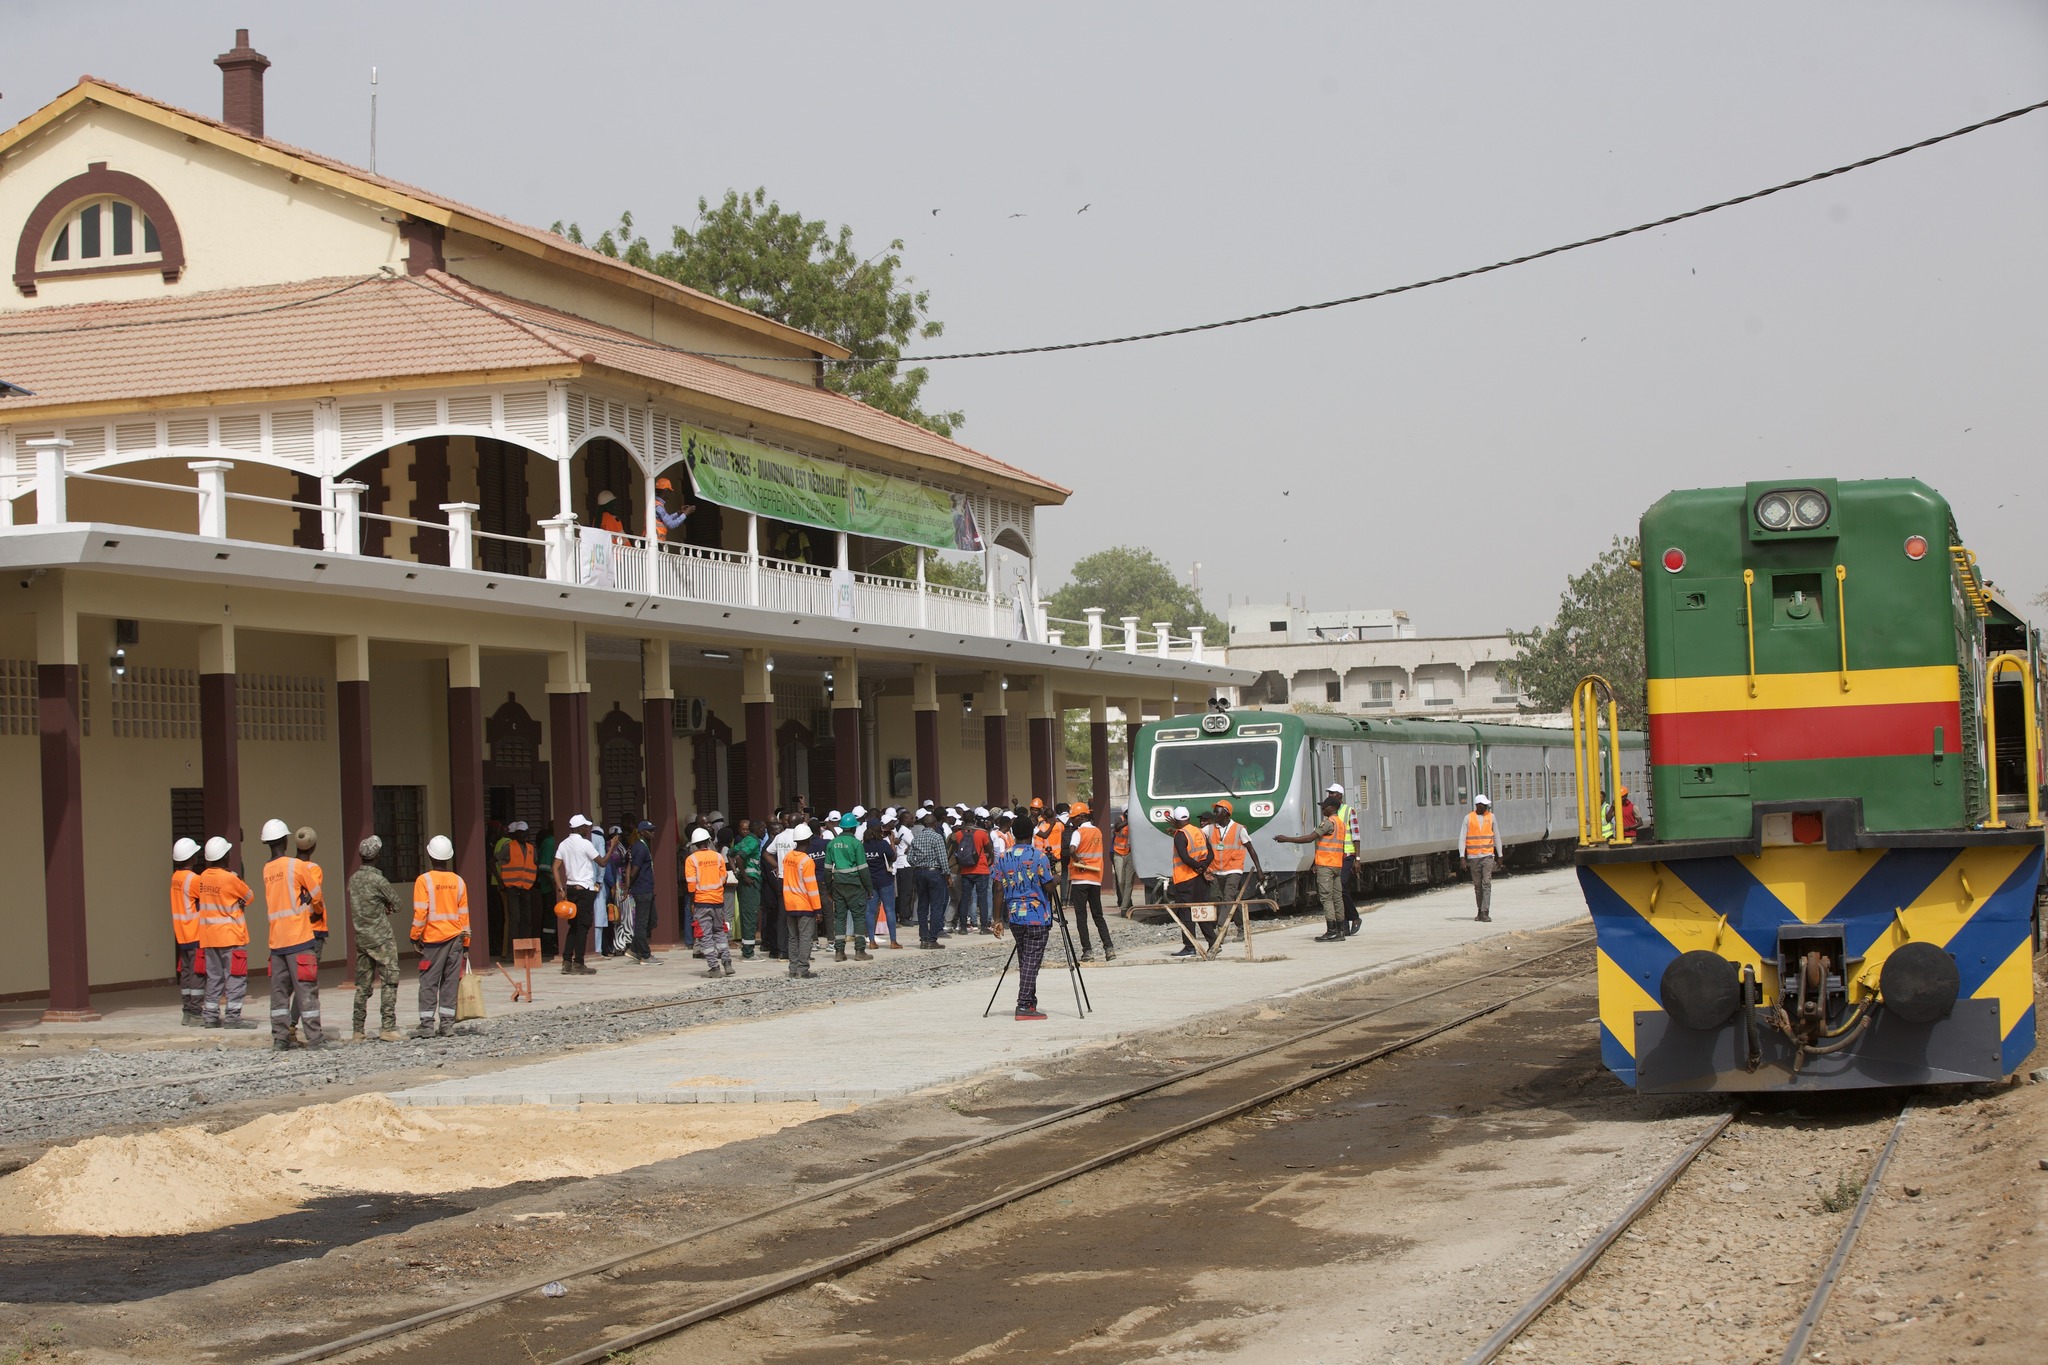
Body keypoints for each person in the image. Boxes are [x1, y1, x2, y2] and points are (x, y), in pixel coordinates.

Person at [259, 818, 327, 1051]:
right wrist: (313, 906)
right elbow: (316, 894)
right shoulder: (296, 866)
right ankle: (315, 1039)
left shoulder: (267, 869)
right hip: (299, 937)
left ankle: (280, 1038)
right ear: (285, 840)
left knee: (279, 992)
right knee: (306, 990)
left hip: (277, 941)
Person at [991, 816, 1057, 1022]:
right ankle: (1023, 1004)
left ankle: (1030, 1001)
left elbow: (998, 888)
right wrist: (1057, 878)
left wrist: (996, 919)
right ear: (1031, 834)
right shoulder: (1039, 857)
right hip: (1036, 916)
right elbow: (1048, 887)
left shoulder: (1003, 857)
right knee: (1031, 961)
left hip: (1015, 917)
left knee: (1025, 959)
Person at [410, 834, 470, 1037]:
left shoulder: (423, 881)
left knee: (429, 981)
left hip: (433, 940)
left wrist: (414, 936)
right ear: (449, 857)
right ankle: (447, 1025)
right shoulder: (459, 881)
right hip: (456, 939)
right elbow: (464, 916)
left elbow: (420, 912)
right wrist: (467, 942)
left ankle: (427, 1026)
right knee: (450, 981)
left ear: (430, 855)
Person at [195, 836, 256, 1029]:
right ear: (225, 856)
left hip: (209, 937)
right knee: (235, 977)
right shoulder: (230, 878)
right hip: (230, 935)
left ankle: (211, 1017)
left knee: (213, 977)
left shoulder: (203, 877)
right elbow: (249, 896)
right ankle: (233, 1018)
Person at [348, 834, 404, 1042]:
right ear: (377, 856)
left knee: (363, 985)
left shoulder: (354, 879)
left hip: (362, 937)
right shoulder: (378, 880)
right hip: (381, 938)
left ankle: (357, 1029)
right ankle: (388, 1027)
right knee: (390, 980)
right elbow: (398, 904)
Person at [1276, 793, 1348, 943]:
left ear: (1333, 808)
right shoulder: (1340, 823)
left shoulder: (1328, 823)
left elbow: (1310, 838)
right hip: (1336, 865)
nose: (1322, 809)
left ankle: (1331, 930)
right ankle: (1341, 930)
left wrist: (1287, 839)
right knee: (1337, 897)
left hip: (1327, 866)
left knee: (1326, 897)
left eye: (1324, 806)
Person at [1065, 802, 1115, 962]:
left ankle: (1088, 951)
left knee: (1081, 916)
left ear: (1081, 816)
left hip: (1080, 879)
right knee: (1098, 915)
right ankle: (1109, 948)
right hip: (1095, 879)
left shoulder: (1078, 833)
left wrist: (1077, 859)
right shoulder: (1098, 831)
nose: (1072, 821)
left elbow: (1072, 850)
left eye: (1073, 818)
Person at [552, 814, 601, 975]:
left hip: (570, 889)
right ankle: (578, 962)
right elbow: (603, 862)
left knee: (573, 926)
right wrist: (613, 846)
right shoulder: (585, 844)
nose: (588, 829)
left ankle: (566, 961)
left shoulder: (563, 844)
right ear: (580, 828)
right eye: (586, 827)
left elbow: (555, 867)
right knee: (583, 926)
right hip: (585, 890)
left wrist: (560, 889)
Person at [1164, 804, 1215, 957]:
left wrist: (1197, 866)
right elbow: (1210, 852)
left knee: (1186, 913)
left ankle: (1189, 947)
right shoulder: (1198, 831)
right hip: (1200, 879)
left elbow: (1184, 857)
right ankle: (1213, 942)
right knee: (1200, 911)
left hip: (1185, 879)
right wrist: (1203, 866)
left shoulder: (1180, 834)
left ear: (1176, 820)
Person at [824, 813, 874, 962]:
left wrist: (829, 889)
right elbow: (863, 869)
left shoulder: (832, 844)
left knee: (839, 918)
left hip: (838, 884)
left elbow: (827, 870)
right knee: (858, 917)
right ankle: (859, 951)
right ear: (853, 828)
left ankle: (839, 952)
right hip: (854, 884)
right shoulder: (857, 844)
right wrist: (869, 888)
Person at [683, 828, 733, 977]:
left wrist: (693, 902)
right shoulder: (718, 857)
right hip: (718, 901)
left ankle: (714, 967)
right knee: (719, 932)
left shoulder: (691, 860)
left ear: (694, 844)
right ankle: (727, 962)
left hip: (701, 902)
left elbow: (691, 884)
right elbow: (724, 878)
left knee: (705, 936)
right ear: (709, 841)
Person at [169, 837, 204, 1025]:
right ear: (192, 857)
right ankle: (196, 1012)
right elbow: (207, 898)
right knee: (197, 974)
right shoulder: (193, 879)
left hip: (181, 934)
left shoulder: (175, 877)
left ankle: (187, 1011)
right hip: (195, 932)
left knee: (187, 973)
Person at [1209, 799, 1264, 918]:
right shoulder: (1210, 829)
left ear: (1225, 812)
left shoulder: (1239, 829)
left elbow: (1251, 849)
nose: (1214, 814)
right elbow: (1195, 834)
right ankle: (1241, 927)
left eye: (1216, 811)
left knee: (1228, 898)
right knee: (1228, 899)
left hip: (1234, 870)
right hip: (1217, 870)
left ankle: (1221, 928)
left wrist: (1259, 870)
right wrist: (1177, 831)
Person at [779, 823, 822, 978]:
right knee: (805, 938)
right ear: (809, 840)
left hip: (789, 904)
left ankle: (793, 969)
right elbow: (812, 887)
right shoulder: (807, 861)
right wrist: (817, 909)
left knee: (793, 937)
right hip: (804, 904)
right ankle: (802, 969)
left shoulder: (788, 857)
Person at [908, 810, 952, 948]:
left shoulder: (917, 838)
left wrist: (918, 865)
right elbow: (942, 858)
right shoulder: (937, 837)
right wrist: (947, 874)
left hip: (920, 873)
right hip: (934, 873)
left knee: (922, 906)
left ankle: (923, 938)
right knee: (936, 906)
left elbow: (909, 858)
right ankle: (932, 939)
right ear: (934, 824)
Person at [495, 821, 539, 949]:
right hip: (512, 888)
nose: (523, 835)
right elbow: (493, 861)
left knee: (527, 919)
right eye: (520, 832)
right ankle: (513, 950)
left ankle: (526, 949)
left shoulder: (531, 848)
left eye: (525, 832)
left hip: (526, 887)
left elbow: (534, 864)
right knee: (515, 919)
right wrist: (499, 881)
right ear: (516, 834)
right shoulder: (509, 846)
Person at [1327, 783, 1361, 936]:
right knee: (1337, 889)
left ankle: (1354, 917)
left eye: (1332, 793)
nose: (1329, 795)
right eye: (1329, 793)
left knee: (1340, 885)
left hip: (1347, 854)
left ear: (1339, 796)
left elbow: (1356, 835)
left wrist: (1357, 859)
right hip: (1334, 855)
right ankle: (1344, 924)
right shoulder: (1329, 812)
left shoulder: (1349, 811)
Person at [624, 820, 660, 964]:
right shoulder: (640, 848)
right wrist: (629, 887)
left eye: (653, 830)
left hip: (647, 888)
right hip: (642, 889)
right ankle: (645, 955)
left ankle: (633, 948)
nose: (653, 833)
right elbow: (633, 870)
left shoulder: (643, 846)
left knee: (652, 920)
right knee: (642, 923)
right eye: (649, 831)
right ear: (642, 832)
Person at [953, 809, 995, 932]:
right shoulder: (981, 833)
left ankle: (963, 927)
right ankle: (983, 926)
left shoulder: (959, 834)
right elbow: (988, 848)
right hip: (981, 868)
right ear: (974, 819)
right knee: (982, 898)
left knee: (965, 897)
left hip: (966, 869)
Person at [1460, 794, 1500, 923]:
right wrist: (1462, 856)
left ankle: (1485, 912)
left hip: (1488, 856)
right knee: (1478, 886)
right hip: (1474, 857)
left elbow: (1497, 836)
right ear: (1478, 805)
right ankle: (1480, 910)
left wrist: (1500, 854)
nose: (1487, 806)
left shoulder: (1491, 817)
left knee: (1486, 884)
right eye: (1484, 805)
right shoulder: (1468, 818)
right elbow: (1462, 838)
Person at [864, 817, 900, 948]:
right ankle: (893, 941)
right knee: (890, 909)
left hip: (870, 881)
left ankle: (871, 940)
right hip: (885, 880)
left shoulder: (863, 845)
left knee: (870, 911)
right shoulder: (882, 844)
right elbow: (893, 857)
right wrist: (891, 842)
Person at [730, 817, 762, 959]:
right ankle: (748, 952)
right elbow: (738, 857)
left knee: (747, 915)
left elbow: (730, 854)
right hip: (750, 883)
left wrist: (737, 873)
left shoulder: (745, 840)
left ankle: (747, 949)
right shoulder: (753, 841)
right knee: (750, 915)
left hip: (746, 883)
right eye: (763, 829)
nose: (764, 831)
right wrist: (743, 875)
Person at [653, 476, 695, 545]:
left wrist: (678, 513)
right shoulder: (658, 507)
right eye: (670, 492)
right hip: (655, 543)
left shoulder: (656, 503)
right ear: (665, 491)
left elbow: (666, 519)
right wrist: (685, 514)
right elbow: (671, 524)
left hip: (656, 542)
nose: (670, 494)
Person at [1111, 809, 1137, 913]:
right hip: (1118, 853)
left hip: (1131, 854)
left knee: (1129, 881)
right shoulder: (1120, 820)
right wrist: (1128, 821)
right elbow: (1117, 827)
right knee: (1121, 881)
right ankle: (1127, 901)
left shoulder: (1135, 822)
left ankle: (1124, 907)